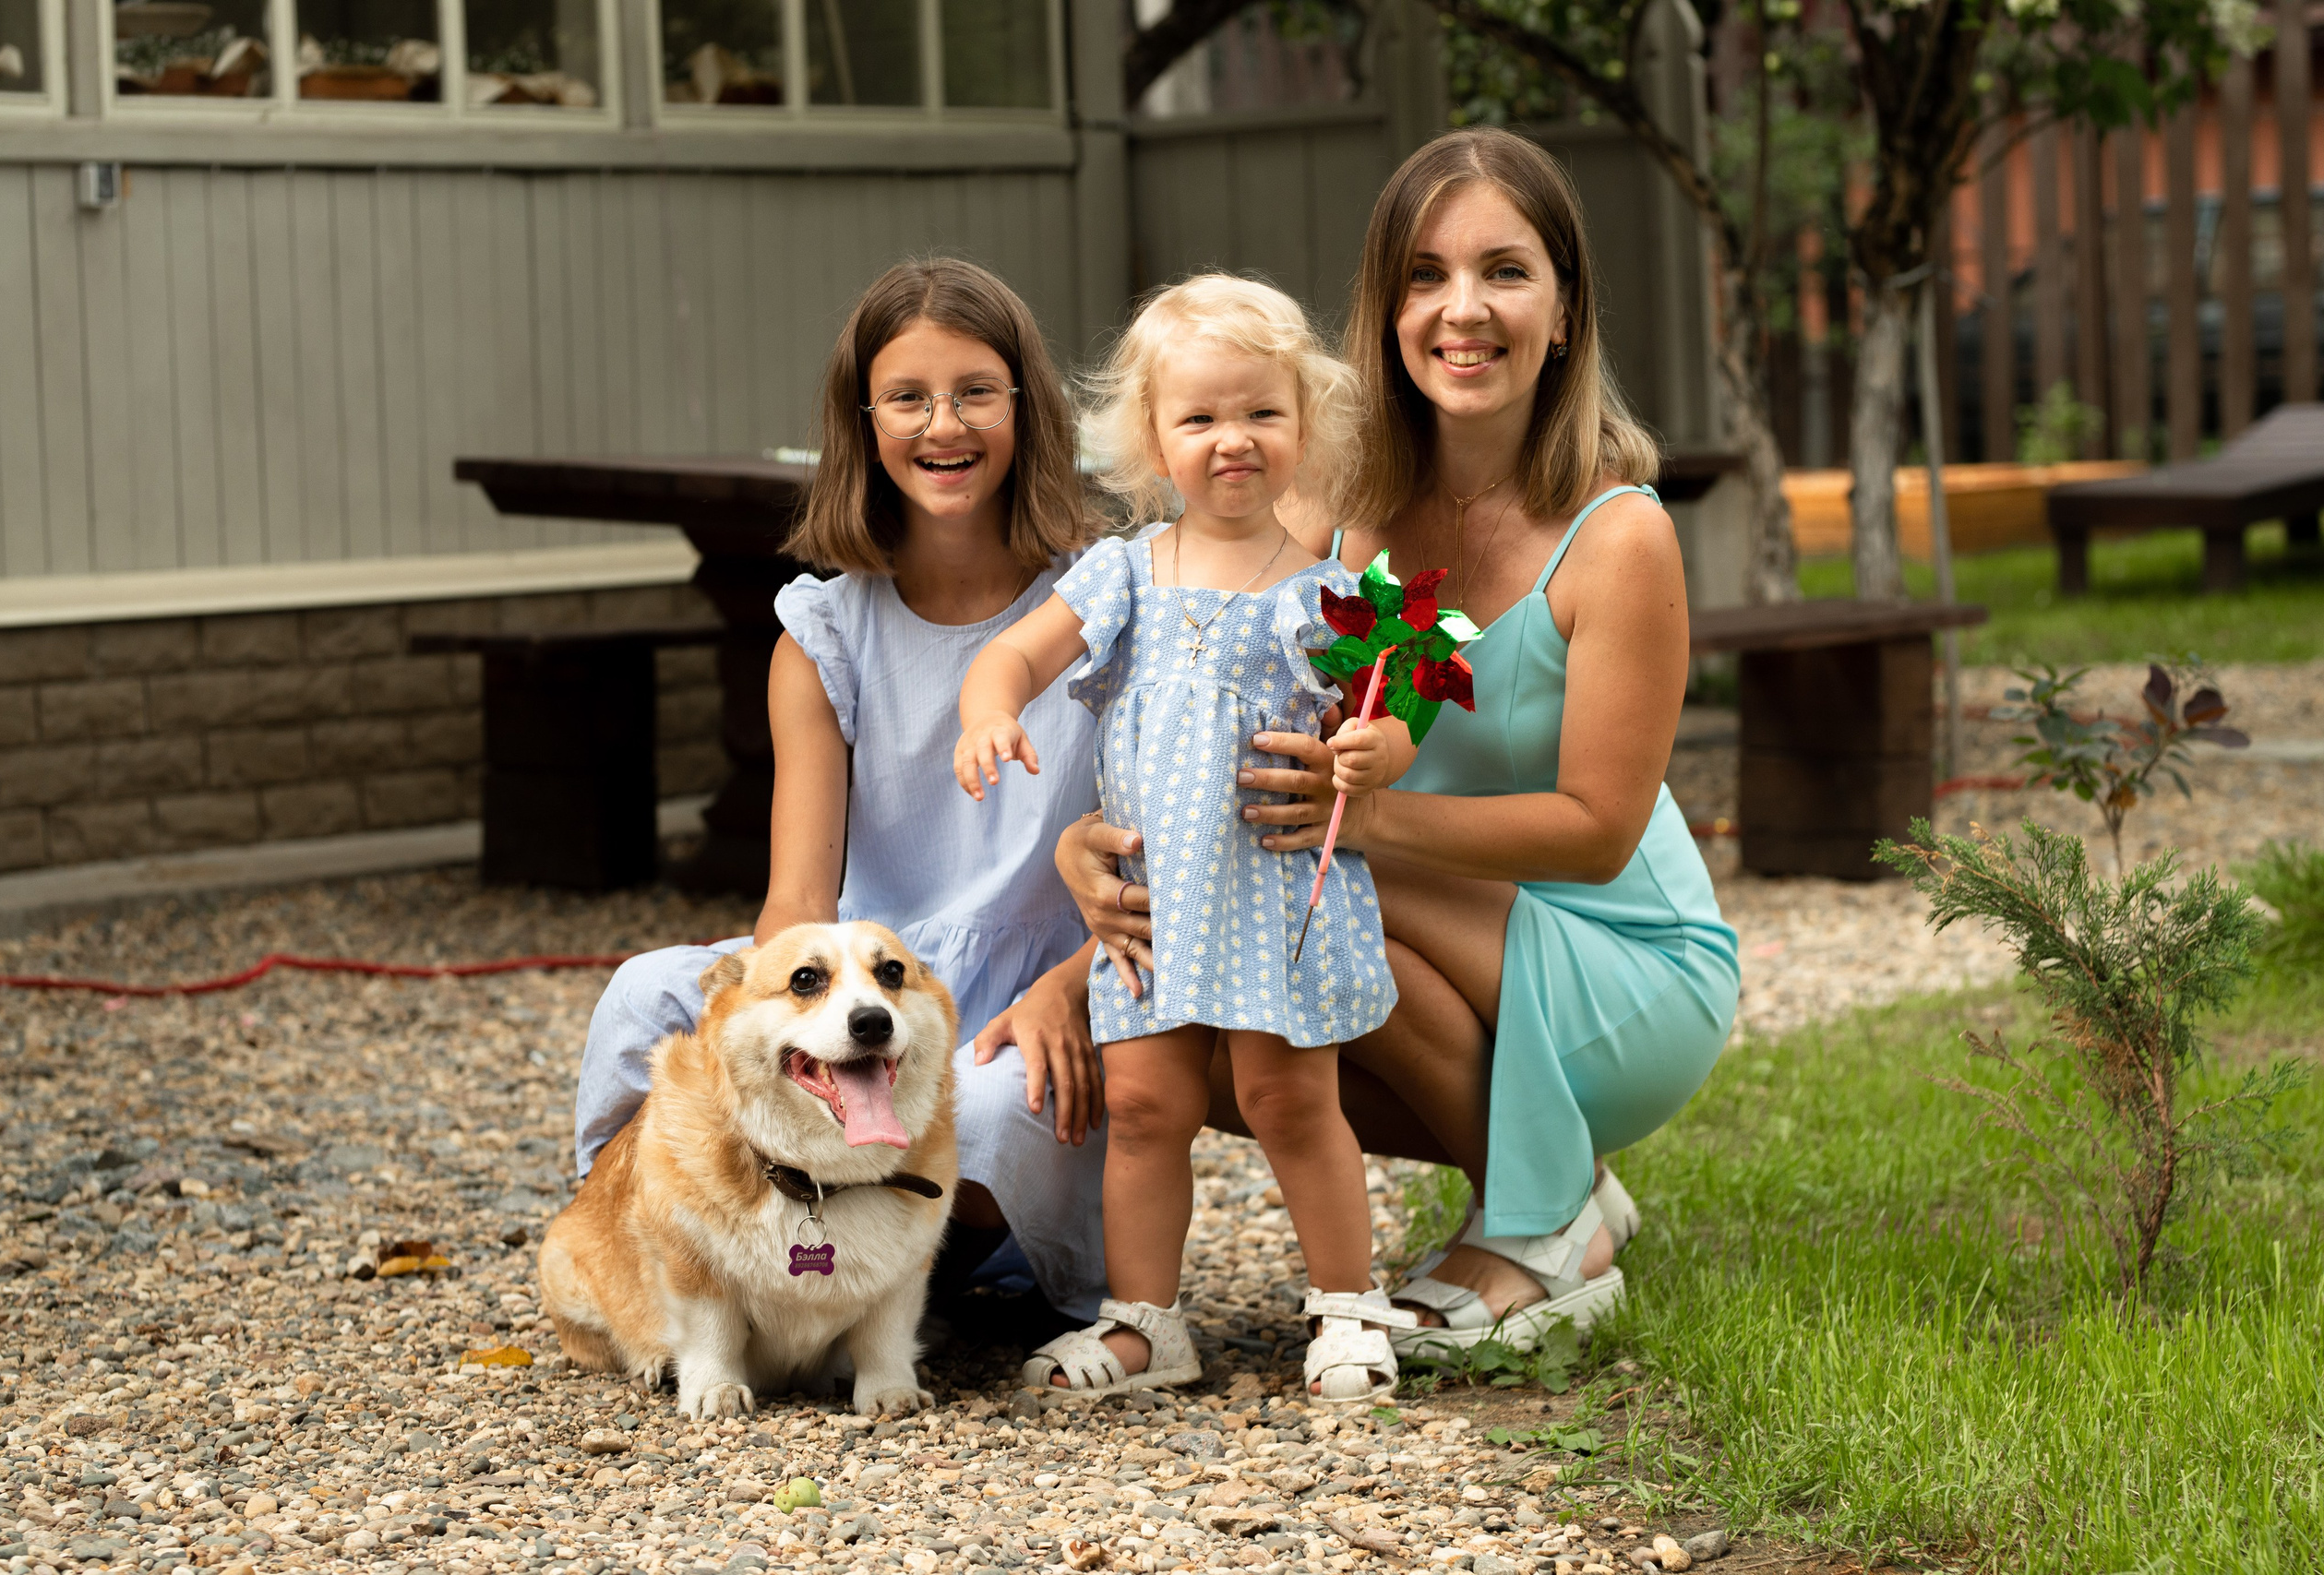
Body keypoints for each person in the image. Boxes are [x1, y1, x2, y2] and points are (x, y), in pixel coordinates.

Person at [1053, 128, 1742, 1351]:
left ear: (1566, 309)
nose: (1461, 309)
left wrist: (1360, 819)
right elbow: (1179, 677)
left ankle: (1548, 1215)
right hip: (1420, 902)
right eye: (1425, 275)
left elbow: (1596, 834)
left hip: (1620, 955)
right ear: (1386, 309)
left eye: (1505, 271)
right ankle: (1544, 1168)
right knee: (1188, 1030)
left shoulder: (1620, 534)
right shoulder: (1341, 507)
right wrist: (1088, 912)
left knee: (1298, 884)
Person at [569, 257, 1115, 1322]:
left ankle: (881, 1283)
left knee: (997, 1107)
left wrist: (1079, 985)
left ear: (1026, 408)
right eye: (907, 397)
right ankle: (654, 1259)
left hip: (1037, 990)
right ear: (863, 422)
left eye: (975, 393)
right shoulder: (825, 631)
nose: (942, 425)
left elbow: (1165, 849)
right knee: (645, 995)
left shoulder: (1104, 601)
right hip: (856, 977)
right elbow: (796, 907)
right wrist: (783, 1039)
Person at [952, 274, 1417, 1402]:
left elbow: (1394, 711)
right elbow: (1013, 656)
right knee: (1150, 1107)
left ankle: (1349, 1306)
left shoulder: (1336, 590)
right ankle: (1144, 1325)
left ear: (1304, 428)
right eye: (1199, 418)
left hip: (1275, 893)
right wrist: (987, 708)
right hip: (1153, 902)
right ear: (1153, 441)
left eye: (1261, 412)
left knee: (1288, 1101)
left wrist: (1378, 755)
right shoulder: (1121, 573)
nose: (1233, 440)